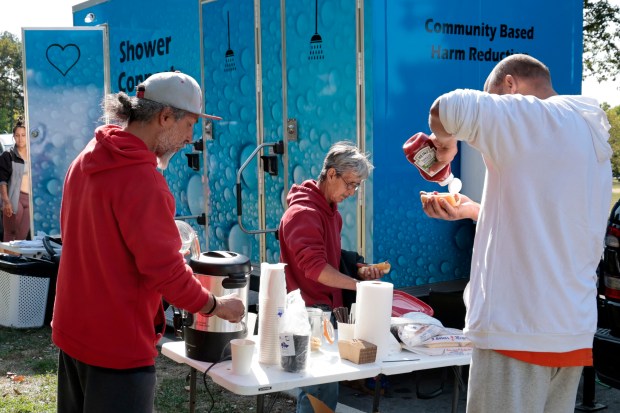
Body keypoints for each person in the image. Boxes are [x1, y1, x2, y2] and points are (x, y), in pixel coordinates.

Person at [421, 54, 612, 412]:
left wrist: (445, 142)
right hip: (569, 334)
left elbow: (443, 109)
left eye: (493, 96)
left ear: (510, 86)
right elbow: (555, 221)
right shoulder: (588, 132)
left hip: (516, 331)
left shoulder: (526, 114)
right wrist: (476, 210)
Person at [51, 71, 245, 413]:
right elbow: (167, 275)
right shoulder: (143, 181)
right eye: (190, 125)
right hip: (117, 348)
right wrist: (217, 306)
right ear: (165, 116)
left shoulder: (88, 156)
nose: (192, 138)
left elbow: (79, 236)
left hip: (73, 335)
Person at [278, 141, 383, 412]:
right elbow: (314, 268)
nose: (352, 191)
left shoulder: (330, 212)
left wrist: (358, 267)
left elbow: (329, 258)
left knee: (325, 389)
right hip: (307, 317)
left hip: (325, 314)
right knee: (316, 391)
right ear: (331, 174)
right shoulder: (302, 214)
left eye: (357, 186)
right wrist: (359, 286)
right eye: (349, 183)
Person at [0, 120, 31, 241]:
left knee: (22, 236)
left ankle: (18, 259)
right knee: (10, 234)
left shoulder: (34, 155)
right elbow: (2, 181)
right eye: (17, 135)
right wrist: (6, 201)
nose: (20, 138)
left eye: (23, 135)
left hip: (29, 200)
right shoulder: (7, 156)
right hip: (14, 198)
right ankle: (6, 259)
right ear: (13, 137)